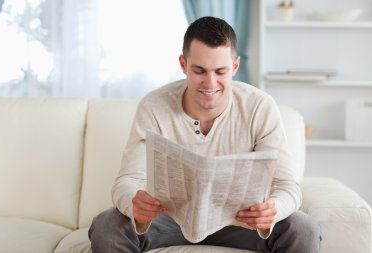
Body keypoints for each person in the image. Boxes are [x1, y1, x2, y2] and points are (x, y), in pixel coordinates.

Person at [88, 16, 321, 253]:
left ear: (235, 67)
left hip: (240, 222)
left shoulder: (260, 107)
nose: (210, 83)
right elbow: (126, 181)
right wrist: (134, 204)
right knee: (107, 226)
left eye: (221, 71)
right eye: (199, 70)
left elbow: (287, 186)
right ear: (183, 64)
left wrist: (273, 209)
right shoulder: (154, 106)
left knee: (303, 228)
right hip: (169, 221)